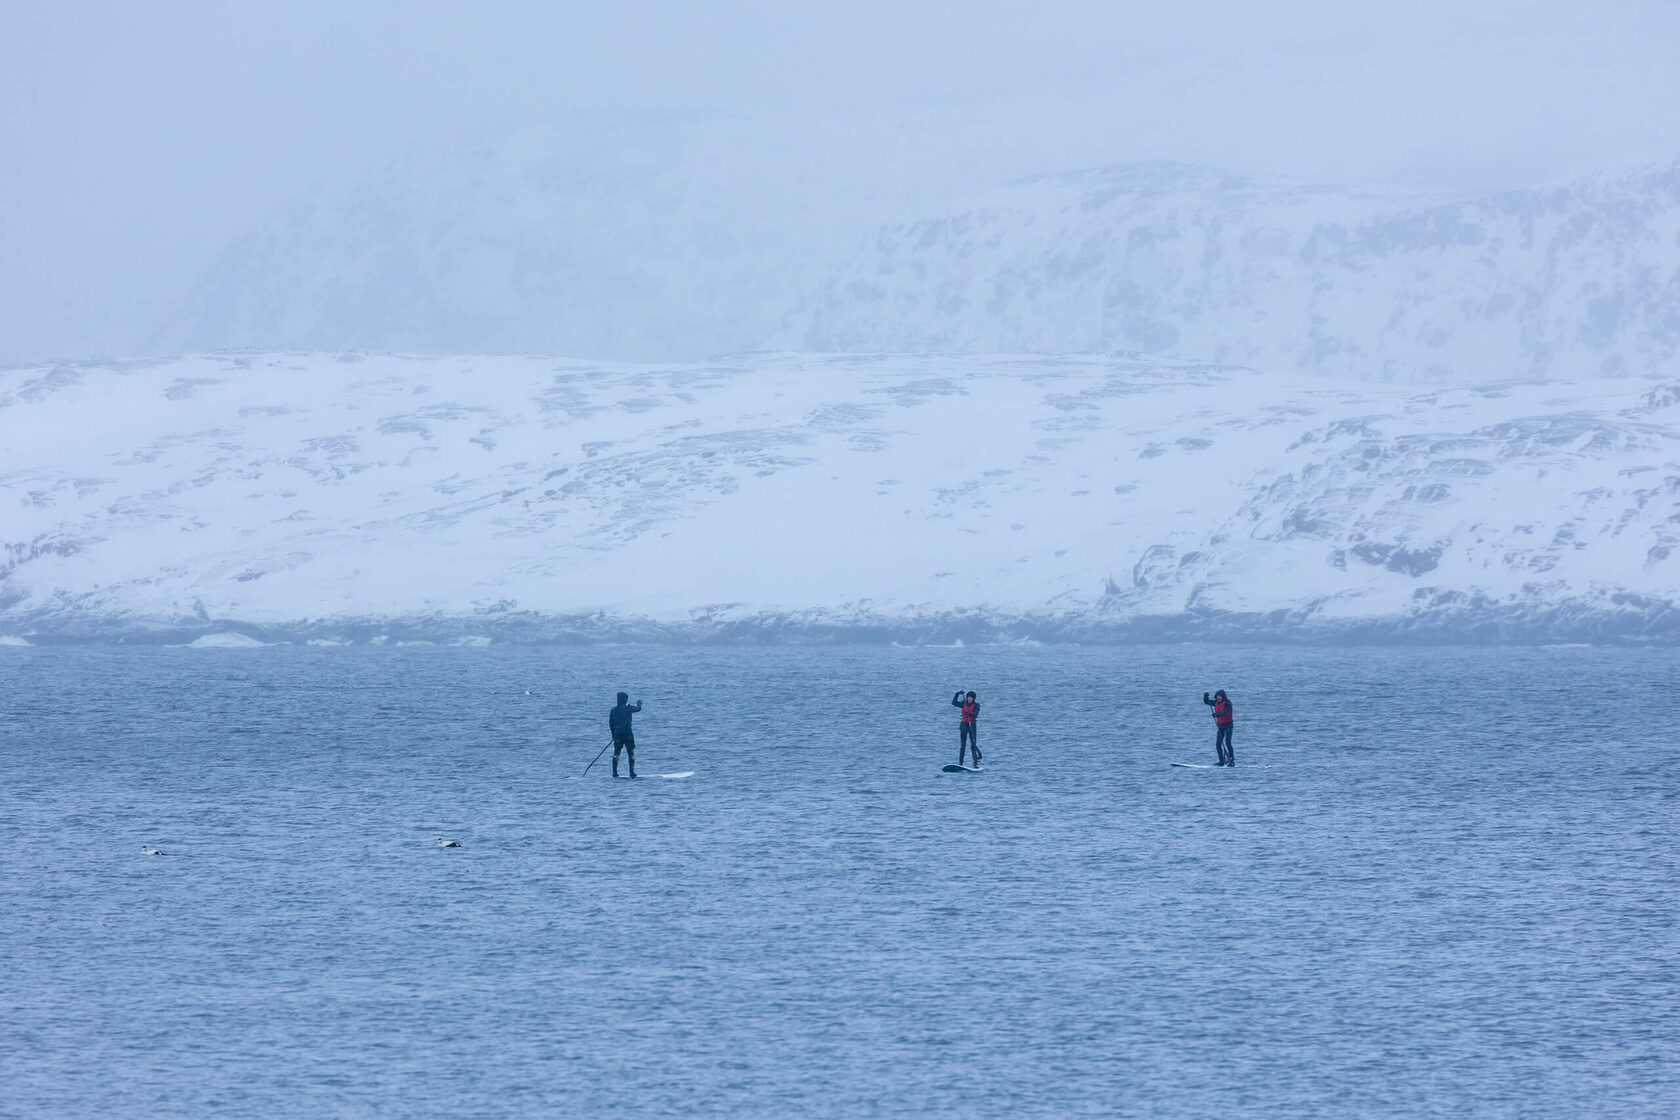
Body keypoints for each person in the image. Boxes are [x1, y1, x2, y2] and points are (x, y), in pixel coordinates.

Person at [609, 691, 642, 778]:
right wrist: (639, 703)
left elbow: (611, 724)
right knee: (631, 752)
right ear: (624, 700)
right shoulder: (629, 708)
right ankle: (631, 772)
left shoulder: (613, 710)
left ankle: (614, 772)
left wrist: (613, 735)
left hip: (617, 735)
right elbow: (638, 708)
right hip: (628, 734)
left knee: (616, 753)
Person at [1202, 689, 1234, 766]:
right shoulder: (1215, 703)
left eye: (1220, 696)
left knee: (1228, 743)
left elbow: (1225, 711)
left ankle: (1232, 761)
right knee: (1218, 744)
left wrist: (1217, 714)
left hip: (1228, 726)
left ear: (1223, 697)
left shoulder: (1227, 703)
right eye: (1217, 697)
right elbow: (1207, 702)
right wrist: (1205, 697)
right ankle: (1221, 761)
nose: (1218, 698)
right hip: (1220, 726)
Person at [951, 689, 982, 767]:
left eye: (971, 697)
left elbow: (975, 714)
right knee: (963, 746)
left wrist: (970, 713)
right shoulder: (963, 704)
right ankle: (960, 763)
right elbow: (954, 703)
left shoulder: (976, 705)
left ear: (973, 698)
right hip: (964, 725)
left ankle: (975, 763)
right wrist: (957, 694)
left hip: (972, 726)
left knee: (973, 745)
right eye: (968, 697)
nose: (969, 698)